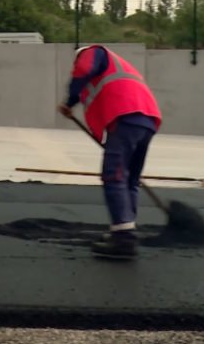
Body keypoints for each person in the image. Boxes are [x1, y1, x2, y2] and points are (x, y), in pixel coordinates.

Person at [58, 44, 162, 258]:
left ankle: (123, 238)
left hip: (125, 115)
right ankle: (125, 230)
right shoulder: (117, 65)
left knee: (113, 175)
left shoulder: (92, 52)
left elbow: (83, 71)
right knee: (130, 179)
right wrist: (73, 104)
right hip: (146, 119)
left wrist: (68, 102)